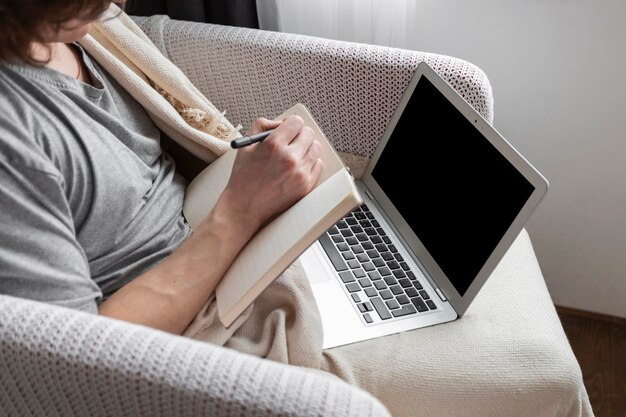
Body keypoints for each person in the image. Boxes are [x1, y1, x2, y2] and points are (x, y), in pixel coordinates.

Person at [0, 0, 323, 335]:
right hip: (195, 342)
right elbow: (73, 355)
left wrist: (250, 181)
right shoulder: (13, 141)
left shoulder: (75, 30)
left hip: (237, 256)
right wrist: (240, 210)